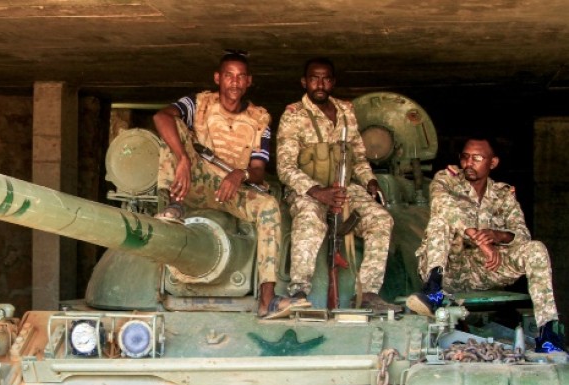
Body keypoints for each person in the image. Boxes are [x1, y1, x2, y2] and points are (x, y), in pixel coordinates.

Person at [154, 50, 309, 319]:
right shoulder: (198, 104)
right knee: (173, 127)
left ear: (249, 81)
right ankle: (174, 205)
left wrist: (240, 174)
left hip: (231, 190)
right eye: (229, 75)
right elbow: (161, 117)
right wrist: (183, 158)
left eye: (240, 77)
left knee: (269, 206)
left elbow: (259, 170)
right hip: (193, 183)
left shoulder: (260, 119)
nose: (234, 82)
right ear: (218, 78)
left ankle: (268, 300)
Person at [406, 138, 565, 352]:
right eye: (465, 157)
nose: (469, 163)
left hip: (484, 269)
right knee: (441, 219)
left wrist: (496, 236)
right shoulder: (446, 179)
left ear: (493, 163)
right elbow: (442, 205)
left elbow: (521, 235)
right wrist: (475, 236)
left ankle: (547, 333)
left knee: (536, 249)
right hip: (448, 269)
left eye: (477, 158)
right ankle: (433, 292)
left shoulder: (503, 194)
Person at [276, 58, 398, 311]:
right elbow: (285, 168)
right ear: (304, 82)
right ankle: (299, 292)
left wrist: (370, 181)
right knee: (308, 218)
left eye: (326, 78)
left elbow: (359, 157)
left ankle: (367, 293)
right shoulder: (293, 116)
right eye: (314, 78)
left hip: (345, 186)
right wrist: (318, 192)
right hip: (308, 189)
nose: (320, 84)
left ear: (333, 82)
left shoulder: (346, 111)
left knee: (381, 219)